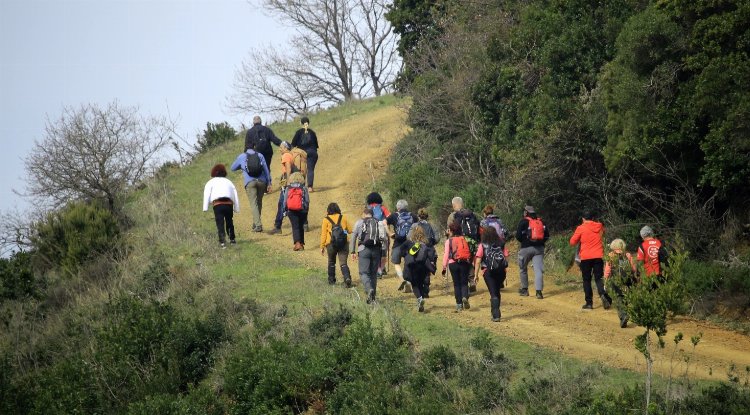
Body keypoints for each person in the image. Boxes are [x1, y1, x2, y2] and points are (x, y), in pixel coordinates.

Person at [570, 211, 612, 310]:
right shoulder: (600, 226)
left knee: (586, 280)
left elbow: (572, 242)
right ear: (593, 218)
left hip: (585, 257)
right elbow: (603, 235)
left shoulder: (581, 228)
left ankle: (589, 303)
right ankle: (603, 294)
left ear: (583, 219)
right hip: (598, 256)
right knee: (599, 278)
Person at [230, 145, 272, 232]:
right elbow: (266, 169)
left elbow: (232, 168)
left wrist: (241, 166)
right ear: (254, 147)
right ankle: (256, 223)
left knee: (253, 203)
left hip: (250, 182)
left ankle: (258, 225)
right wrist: (269, 182)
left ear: (245, 148)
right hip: (262, 182)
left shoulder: (242, 156)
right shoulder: (260, 155)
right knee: (259, 202)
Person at [350, 207, 388, 304]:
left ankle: (369, 289)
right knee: (373, 274)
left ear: (364, 214)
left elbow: (353, 236)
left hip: (363, 249)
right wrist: (383, 253)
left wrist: (352, 251)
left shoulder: (359, 222)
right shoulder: (379, 223)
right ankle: (373, 298)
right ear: (372, 214)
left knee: (363, 273)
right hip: (376, 250)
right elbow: (384, 239)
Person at [474, 226, 509, 322]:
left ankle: (496, 315)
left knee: (493, 293)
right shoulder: (501, 243)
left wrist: (476, 275)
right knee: (497, 291)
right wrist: (504, 268)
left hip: (488, 272)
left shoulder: (482, 245)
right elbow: (506, 256)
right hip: (501, 271)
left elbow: (478, 261)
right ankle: (495, 312)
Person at [446, 196, 480, 293]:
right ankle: (472, 280)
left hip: (460, 242)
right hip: (472, 241)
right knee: (469, 261)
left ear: (453, 205)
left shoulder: (453, 215)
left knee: (461, 262)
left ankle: (464, 287)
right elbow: (478, 226)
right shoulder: (471, 214)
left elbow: (449, 230)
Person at [202, 164, 240, 248]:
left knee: (220, 223)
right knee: (229, 221)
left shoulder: (210, 182)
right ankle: (232, 239)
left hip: (218, 205)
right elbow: (235, 194)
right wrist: (236, 208)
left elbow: (206, 194)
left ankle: (222, 242)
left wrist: (205, 207)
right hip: (228, 204)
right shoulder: (229, 182)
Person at [515, 205, 548, 299]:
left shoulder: (523, 221)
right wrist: (540, 242)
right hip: (539, 249)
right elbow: (547, 235)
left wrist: (525, 242)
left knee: (523, 268)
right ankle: (539, 292)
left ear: (526, 212)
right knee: (538, 270)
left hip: (525, 248)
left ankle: (525, 290)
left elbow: (518, 236)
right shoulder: (541, 221)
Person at [386, 199, 419, 293]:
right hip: (410, 242)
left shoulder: (394, 215)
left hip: (398, 242)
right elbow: (418, 226)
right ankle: (408, 281)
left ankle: (402, 279)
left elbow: (384, 222)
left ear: (398, 207)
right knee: (408, 262)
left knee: (396, 262)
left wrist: (389, 233)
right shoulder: (413, 215)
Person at [402, 226, 437, 312]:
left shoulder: (408, 242)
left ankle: (419, 299)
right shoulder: (427, 243)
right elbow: (432, 255)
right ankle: (421, 299)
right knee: (421, 283)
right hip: (424, 266)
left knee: (415, 284)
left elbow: (402, 252)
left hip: (413, 266)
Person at [604, 239, 638, 328]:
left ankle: (623, 315)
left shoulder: (611, 255)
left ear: (613, 246)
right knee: (625, 296)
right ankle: (627, 312)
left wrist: (606, 280)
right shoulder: (627, 254)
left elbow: (608, 270)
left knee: (619, 298)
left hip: (616, 280)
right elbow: (633, 268)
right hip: (627, 280)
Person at [320, 202, 353, 287]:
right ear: (338, 209)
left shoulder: (326, 219)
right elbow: (349, 230)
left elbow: (323, 234)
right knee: (343, 263)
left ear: (328, 210)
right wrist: (344, 232)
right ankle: (347, 278)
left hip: (331, 244)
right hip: (343, 243)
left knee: (331, 262)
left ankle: (331, 281)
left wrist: (322, 246)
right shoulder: (343, 217)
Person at [408, 208, 438, 297]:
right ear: (427, 216)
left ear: (418, 216)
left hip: (418, 251)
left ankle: (420, 291)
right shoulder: (432, 225)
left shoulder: (414, 225)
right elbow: (437, 238)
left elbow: (408, 237)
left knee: (418, 270)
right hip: (430, 251)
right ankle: (426, 288)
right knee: (427, 270)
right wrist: (430, 243)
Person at [442, 222, 472, 312]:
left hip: (453, 264)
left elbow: (446, 254)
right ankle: (464, 297)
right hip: (464, 263)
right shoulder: (464, 239)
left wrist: (444, 267)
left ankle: (459, 304)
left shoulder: (449, 241)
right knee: (464, 282)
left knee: (456, 284)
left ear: (451, 231)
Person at [269, 141, 295, 235]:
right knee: (286, 203)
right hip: (287, 179)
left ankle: (277, 226)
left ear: (286, 148)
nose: (280, 149)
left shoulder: (286, 155)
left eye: (281, 147)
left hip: (287, 179)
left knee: (282, 203)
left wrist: (287, 181)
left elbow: (288, 167)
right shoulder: (290, 155)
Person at [281, 172, 310, 251]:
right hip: (302, 210)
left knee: (295, 226)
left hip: (291, 210)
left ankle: (297, 244)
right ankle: (301, 243)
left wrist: (285, 209)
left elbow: (285, 200)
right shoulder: (303, 188)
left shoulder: (288, 188)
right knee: (301, 226)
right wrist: (306, 209)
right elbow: (307, 200)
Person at [366, 192, 391, 277]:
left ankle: (377, 269)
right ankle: (381, 269)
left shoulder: (367, 208)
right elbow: (389, 217)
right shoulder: (382, 207)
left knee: (374, 250)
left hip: (371, 233)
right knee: (383, 251)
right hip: (382, 231)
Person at [291, 116, 319, 192]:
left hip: (302, 153)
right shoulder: (312, 133)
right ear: (308, 123)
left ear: (301, 123)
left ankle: (301, 186)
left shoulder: (298, 132)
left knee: (302, 170)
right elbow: (316, 145)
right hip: (313, 153)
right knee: (310, 169)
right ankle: (310, 187)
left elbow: (292, 145)